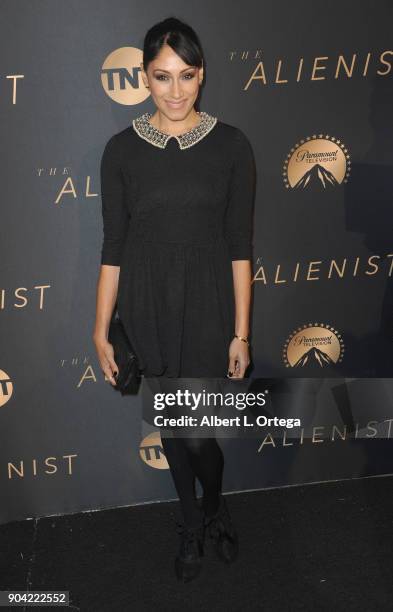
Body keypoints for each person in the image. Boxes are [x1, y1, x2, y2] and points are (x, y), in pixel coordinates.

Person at [93, 16, 256, 583]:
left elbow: (241, 247)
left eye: (187, 75)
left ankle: (213, 506)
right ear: (144, 78)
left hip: (210, 307)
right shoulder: (120, 152)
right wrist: (100, 328)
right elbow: (112, 247)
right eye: (162, 77)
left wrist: (241, 333)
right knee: (173, 430)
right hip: (148, 308)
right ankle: (191, 521)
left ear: (202, 75)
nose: (176, 90)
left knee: (200, 433)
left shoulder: (233, 146)